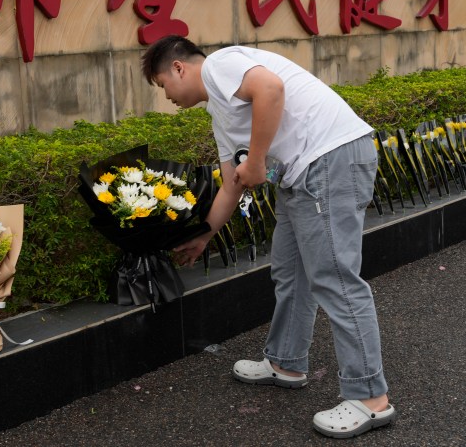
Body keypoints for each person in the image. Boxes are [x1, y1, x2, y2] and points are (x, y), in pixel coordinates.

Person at [140, 35, 395, 439]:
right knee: (291, 273)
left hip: (329, 159)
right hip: (304, 174)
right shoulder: (220, 114)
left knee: (336, 279)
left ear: (179, 68)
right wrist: (205, 236)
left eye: (161, 84)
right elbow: (231, 185)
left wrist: (257, 160)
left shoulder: (220, 65)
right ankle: (286, 362)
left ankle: (370, 399)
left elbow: (270, 89)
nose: (165, 95)